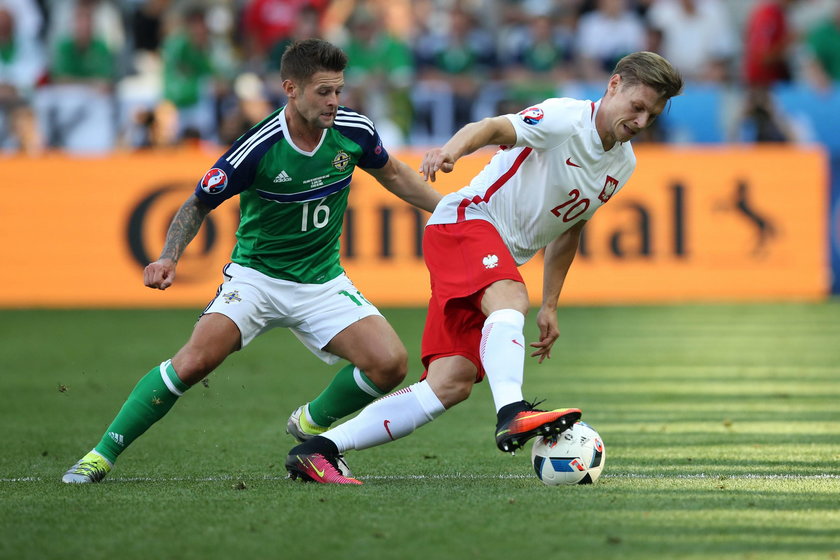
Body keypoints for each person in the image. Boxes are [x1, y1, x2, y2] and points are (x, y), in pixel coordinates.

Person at [285, 50, 684, 484]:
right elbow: (493, 127)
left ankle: (320, 449)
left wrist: (551, 304)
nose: (642, 122)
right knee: (511, 296)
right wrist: (451, 151)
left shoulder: (622, 164)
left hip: (488, 252)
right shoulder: (566, 119)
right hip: (468, 220)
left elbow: (571, 227)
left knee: (449, 383)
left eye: (652, 115)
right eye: (637, 107)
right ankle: (512, 411)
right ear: (614, 85)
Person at [61, 38, 442, 483]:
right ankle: (99, 456)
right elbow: (197, 203)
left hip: (322, 281)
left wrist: (452, 209)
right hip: (257, 278)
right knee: (193, 363)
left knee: (391, 363)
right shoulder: (258, 148)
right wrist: (168, 257)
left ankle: (310, 422)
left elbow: (394, 174)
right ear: (291, 89)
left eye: (338, 90)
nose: (334, 101)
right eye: (323, 91)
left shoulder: (354, 131)